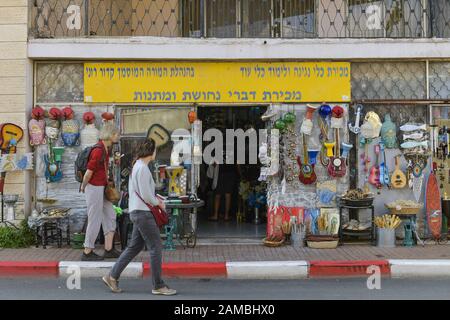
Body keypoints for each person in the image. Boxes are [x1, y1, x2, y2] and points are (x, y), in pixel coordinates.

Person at [102, 139, 176, 296]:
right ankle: (158, 285)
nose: (156, 153)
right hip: (143, 213)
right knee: (156, 247)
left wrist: (156, 199)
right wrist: (159, 203)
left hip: (138, 212)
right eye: (155, 150)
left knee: (134, 247)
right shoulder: (142, 168)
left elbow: (144, 192)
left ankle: (112, 276)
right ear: (150, 151)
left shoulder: (138, 166)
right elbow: (147, 196)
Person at [80, 123, 121, 261]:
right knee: (94, 218)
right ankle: (87, 251)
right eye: (117, 134)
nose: (118, 137)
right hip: (94, 187)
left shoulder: (105, 149)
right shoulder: (98, 150)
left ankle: (109, 249)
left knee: (110, 214)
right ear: (111, 135)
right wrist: (83, 186)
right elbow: (89, 172)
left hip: (101, 187)